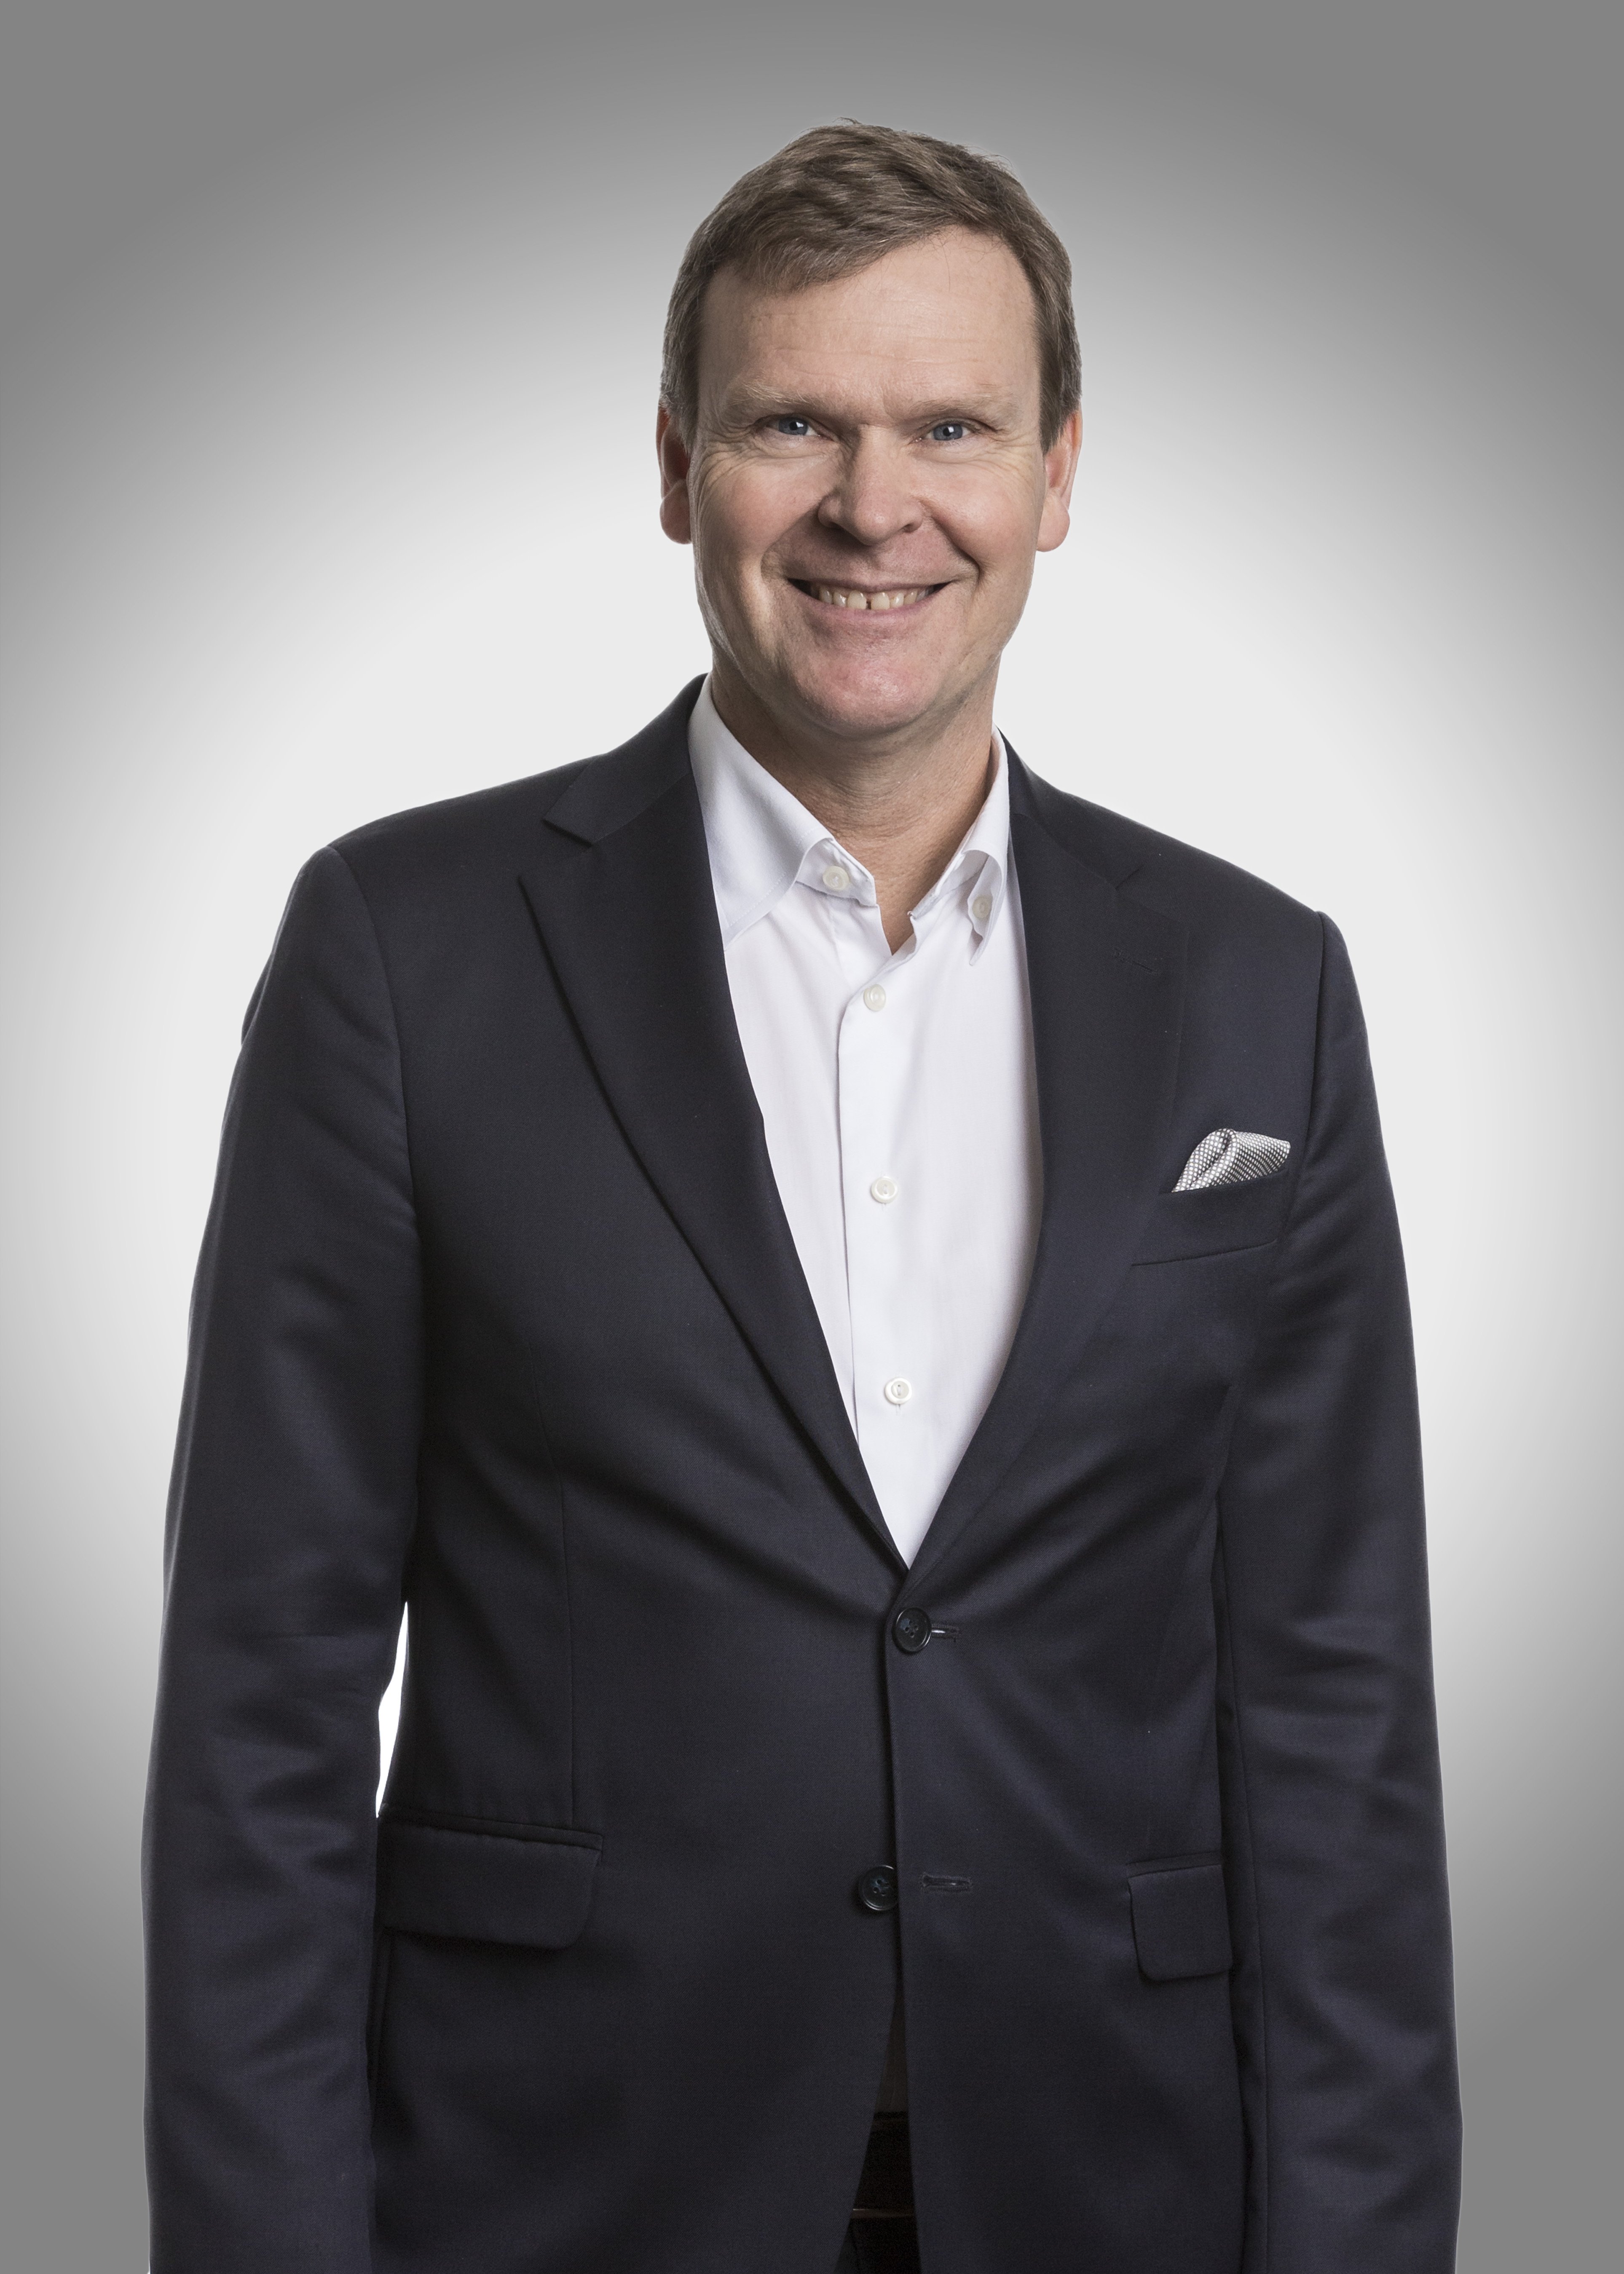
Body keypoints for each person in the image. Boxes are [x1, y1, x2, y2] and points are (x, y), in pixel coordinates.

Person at [143, 121, 1461, 2274]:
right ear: (679, 468)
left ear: (1055, 475)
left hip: (1119, 2185)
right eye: (792, 424)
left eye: (951, 425)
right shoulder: (404, 949)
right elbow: (260, 1700)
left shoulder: (1258, 984)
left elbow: (1333, 1708)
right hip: (555, 2187)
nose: (875, 503)